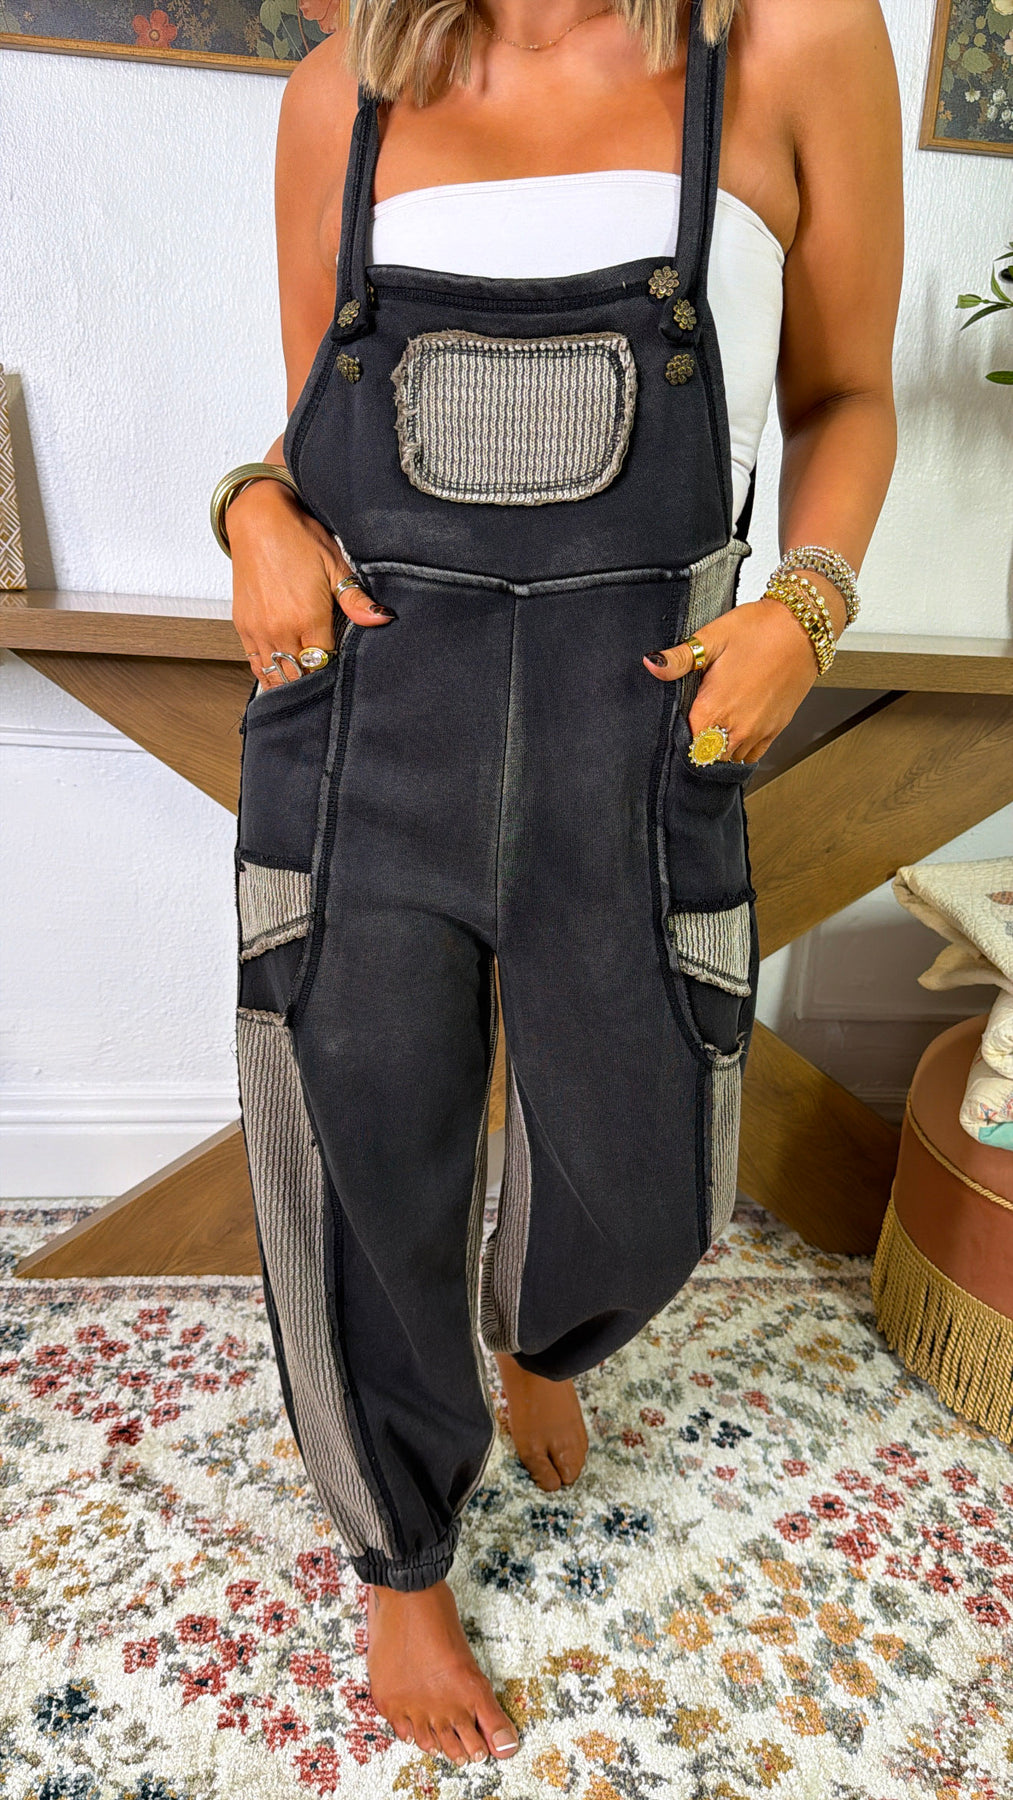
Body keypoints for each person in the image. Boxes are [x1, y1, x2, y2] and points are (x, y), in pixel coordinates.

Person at [211, 0, 902, 1768]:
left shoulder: (793, 44)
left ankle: (540, 1334)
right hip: (371, 723)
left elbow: (842, 393)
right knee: (357, 1154)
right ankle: (402, 1556)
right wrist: (246, 514)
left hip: (644, 727)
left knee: (655, 1161)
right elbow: (303, 444)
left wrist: (805, 605)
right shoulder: (340, 89)